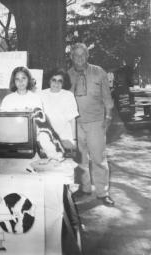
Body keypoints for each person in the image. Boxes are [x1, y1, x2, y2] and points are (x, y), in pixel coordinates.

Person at [68, 43, 115, 206]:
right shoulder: (67, 75)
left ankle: (102, 193)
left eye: (83, 55)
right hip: (76, 124)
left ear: (87, 56)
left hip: (96, 123)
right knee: (80, 160)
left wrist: (108, 118)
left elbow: (107, 97)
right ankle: (84, 188)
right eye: (76, 55)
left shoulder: (98, 72)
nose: (79, 58)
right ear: (71, 57)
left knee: (99, 159)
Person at [40, 68, 79, 148]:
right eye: (54, 80)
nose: (56, 83)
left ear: (63, 83)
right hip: (46, 138)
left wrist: (75, 140)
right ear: (49, 81)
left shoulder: (68, 95)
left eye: (60, 81)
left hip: (65, 138)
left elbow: (72, 120)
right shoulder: (41, 95)